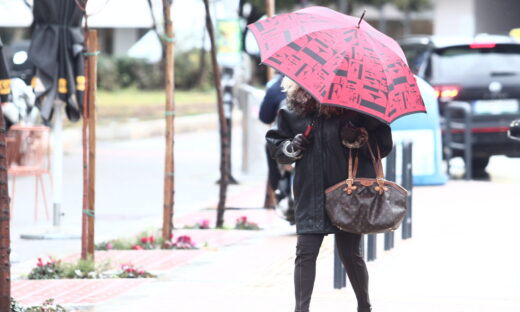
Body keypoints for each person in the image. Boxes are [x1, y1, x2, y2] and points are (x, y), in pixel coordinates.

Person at [266, 77, 393, 312]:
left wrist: (358, 137)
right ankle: (301, 309)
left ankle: (364, 306)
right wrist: (293, 146)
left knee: (350, 253)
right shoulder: (294, 108)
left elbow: (383, 145)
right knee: (305, 252)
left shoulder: (359, 108)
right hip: (310, 191)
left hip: (348, 192)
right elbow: (276, 146)